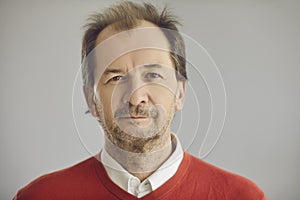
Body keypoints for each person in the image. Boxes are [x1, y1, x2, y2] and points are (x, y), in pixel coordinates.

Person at [13, 1, 267, 199]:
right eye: (115, 78)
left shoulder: (242, 196)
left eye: (153, 75)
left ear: (180, 93)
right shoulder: (40, 197)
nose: (136, 96)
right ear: (91, 99)